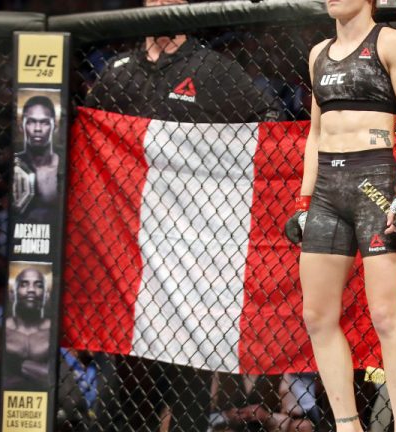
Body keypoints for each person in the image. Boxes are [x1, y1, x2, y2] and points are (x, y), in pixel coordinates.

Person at [83, 1, 281, 431]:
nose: (160, 4)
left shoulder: (212, 70)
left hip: (191, 248)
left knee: (188, 378)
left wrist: (219, 173)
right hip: (128, 249)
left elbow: (270, 121)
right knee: (123, 379)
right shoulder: (118, 74)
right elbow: (89, 138)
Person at [283, 1, 396, 431]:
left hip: (375, 182)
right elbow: (315, 132)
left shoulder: (392, 43)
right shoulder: (318, 53)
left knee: (385, 314)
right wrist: (304, 200)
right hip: (327, 188)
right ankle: (349, 427)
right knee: (317, 317)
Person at [85, 0, 279, 123]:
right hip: (128, 175)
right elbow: (87, 122)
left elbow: (271, 114)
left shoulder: (214, 68)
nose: (162, 4)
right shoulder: (117, 69)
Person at [13, 95, 59, 223]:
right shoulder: (13, 164)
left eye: (44, 122)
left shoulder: (65, 165)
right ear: (22, 126)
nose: (37, 129)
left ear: (54, 127)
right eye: (31, 122)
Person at [3, 267, 50, 389]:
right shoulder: (1, 329)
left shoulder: (53, 331)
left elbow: (54, 377)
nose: (31, 290)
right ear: (12, 294)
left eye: (38, 285)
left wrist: (15, 366)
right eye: (24, 284)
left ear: (46, 296)